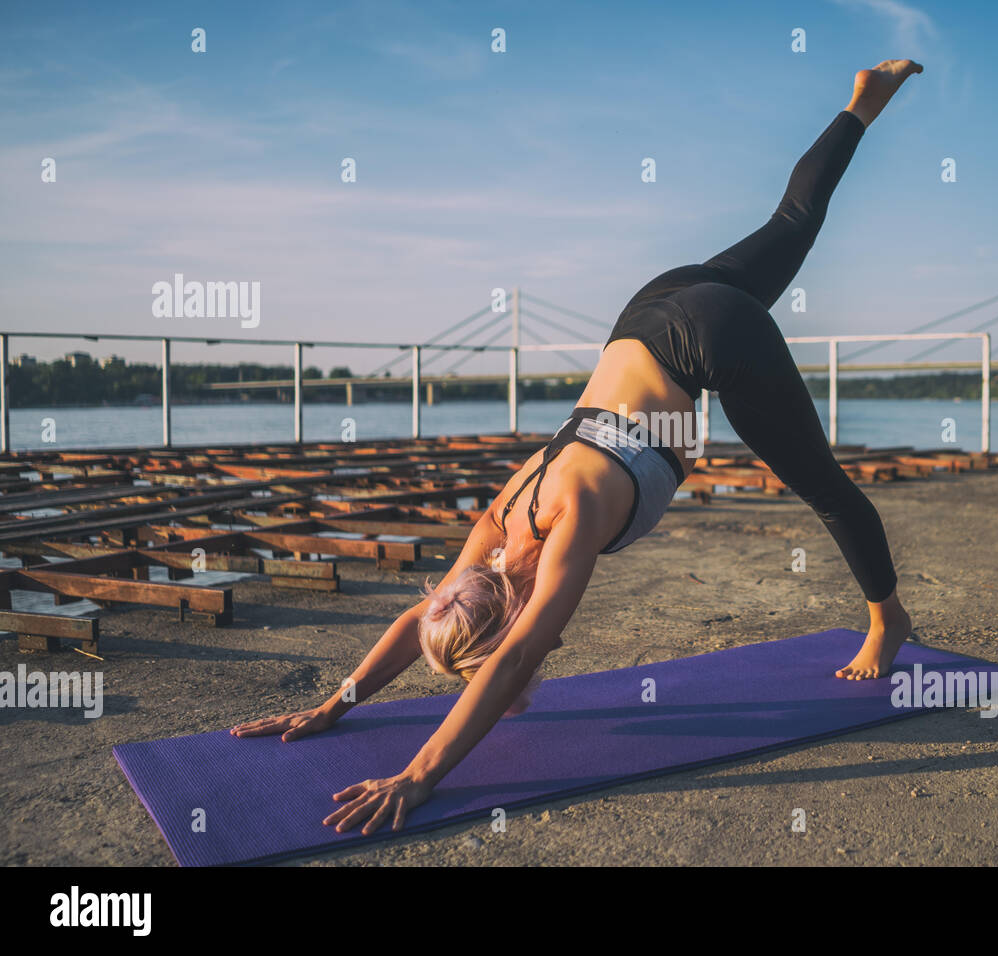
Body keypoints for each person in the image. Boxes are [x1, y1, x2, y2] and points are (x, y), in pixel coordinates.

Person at [232, 60, 924, 835]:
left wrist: (420, 775)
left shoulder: (567, 531)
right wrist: (339, 702)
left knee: (823, 486)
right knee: (792, 222)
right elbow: (419, 620)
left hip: (714, 341)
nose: (490, 681)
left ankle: (887, 620)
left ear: (502, 626)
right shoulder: (494, 529)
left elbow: (518, 660)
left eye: (475, 668)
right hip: (649, 310)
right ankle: (861, 106)